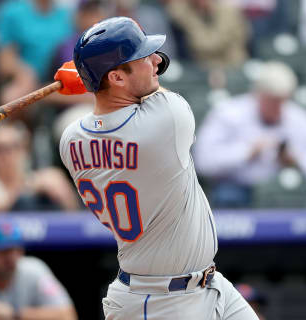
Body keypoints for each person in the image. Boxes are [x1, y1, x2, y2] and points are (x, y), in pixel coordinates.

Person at [55, 17, 258, 319]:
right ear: (117, 78)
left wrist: (93, 78)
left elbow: (115, 104)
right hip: (161, 303)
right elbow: (159, 73)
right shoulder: (168, 118)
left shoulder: (70, 139)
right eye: (142, 57)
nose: (154, 60)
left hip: (203, 285)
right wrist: (91, 78)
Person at [194, 61, 306, 208]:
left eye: (282, 101)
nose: (278, 107)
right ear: (258, 94)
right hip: (240, 191)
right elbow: (203, 162)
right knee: (226, 195)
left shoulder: (300, 117)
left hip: (288, 194)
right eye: (272, 101)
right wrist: (247, 152)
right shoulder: (228, 113)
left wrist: (296, 160)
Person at [0, 122, 79, 213]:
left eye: (13, 147)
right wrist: (31, 188)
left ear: (24, 150)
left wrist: (59, 191)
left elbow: (73, 212)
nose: (6, 155)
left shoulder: (44, 178)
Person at [166, 0, 249, 68]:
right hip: (200, 68)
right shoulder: (185, 10)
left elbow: (210, 44)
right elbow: (174, 8)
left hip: (232, 65)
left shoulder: (229, 12)